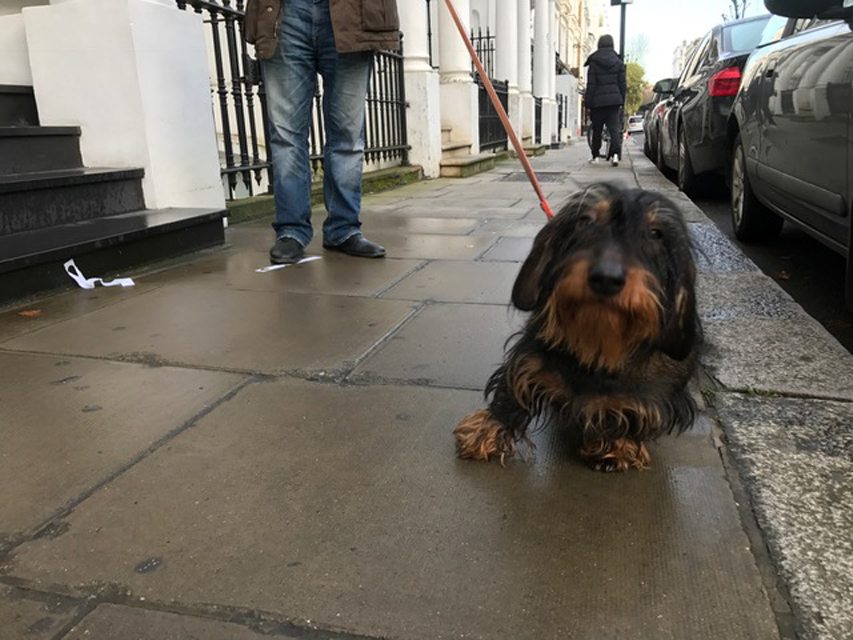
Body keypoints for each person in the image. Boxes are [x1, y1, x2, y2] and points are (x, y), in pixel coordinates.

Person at [245, 0, 400, 264]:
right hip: (284, 12)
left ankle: (343, 229)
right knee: (286, 136)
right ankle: (291, 230)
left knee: (347, 135)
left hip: (354, 13)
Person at [584, 34, 626, 167]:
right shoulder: (618, 62)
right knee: (614, 129)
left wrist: (588, 103)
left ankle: (595, 156)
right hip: (614, 101)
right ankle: (615, 155)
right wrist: (621, 100)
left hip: (598, 102)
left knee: (597, 130)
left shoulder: (594, 62)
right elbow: (622, 84)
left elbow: (591, 85)